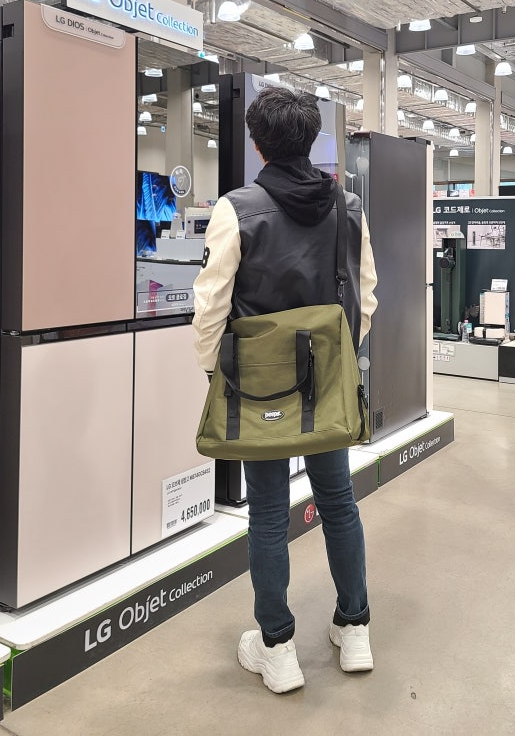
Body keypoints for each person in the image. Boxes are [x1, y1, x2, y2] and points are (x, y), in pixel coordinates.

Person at [193, 86, 378, 694]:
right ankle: (354, 629)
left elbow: (211, 303)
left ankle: (277, 647)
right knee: (338, 502)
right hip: (328, 376)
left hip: (259, 383)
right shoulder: (348, 206)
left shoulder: (236, 209)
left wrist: (213, 370)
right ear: (312, 140)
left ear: (258, 145)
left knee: (269, 512)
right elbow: (365, 295)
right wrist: (336, 356)